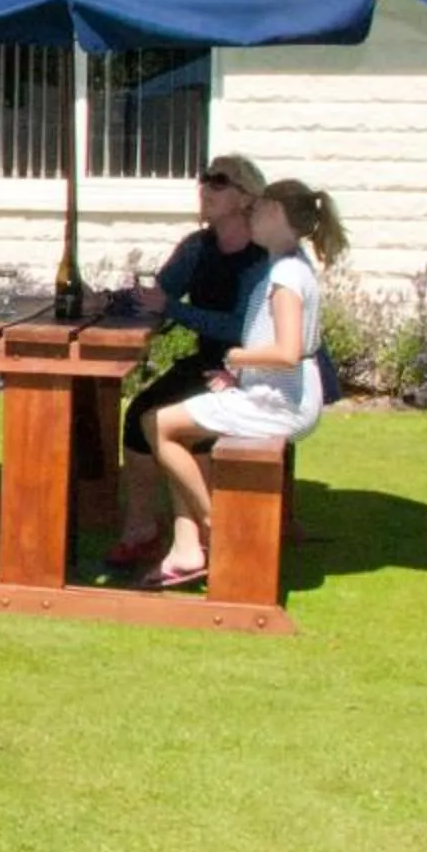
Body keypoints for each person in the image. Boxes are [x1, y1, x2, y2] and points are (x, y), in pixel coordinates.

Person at [137, 179, 349, 588]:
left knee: (156, 423)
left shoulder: (285, 274)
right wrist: (237, 375)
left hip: (279, 402)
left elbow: (287, 351)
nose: (250, 217)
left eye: (257, 210)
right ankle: (189, 546)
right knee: (175, 431)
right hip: (273, 391)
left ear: (276, 215)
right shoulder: (286, 266)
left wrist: (237, 358)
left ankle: (217, 524)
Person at [104, 155, 271, 570]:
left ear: (246, 196)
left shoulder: (262, 255)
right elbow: (157, 298)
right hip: (208, 363)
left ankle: (206, 532)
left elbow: (244, 328)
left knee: (168, 423)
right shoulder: (197, 247)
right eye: (204, 180)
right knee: (139, 412)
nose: (205, 189)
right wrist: (108, 302)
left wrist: (176, 310)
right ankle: (141, 529)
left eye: (218, 182)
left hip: (249, 369)